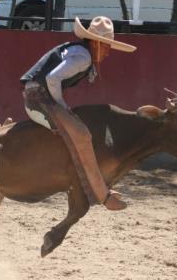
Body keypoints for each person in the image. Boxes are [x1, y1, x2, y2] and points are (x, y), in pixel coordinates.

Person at [20, 16, 136, 211]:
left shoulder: (78, 51)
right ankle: (100, 194)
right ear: (96, 43)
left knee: (80, 132)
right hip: (39, 98)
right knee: (82, 135)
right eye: (106, 46)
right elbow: (52, 78)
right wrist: (62, 108)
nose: (108, 52)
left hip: (37, 95)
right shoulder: (83, 57)